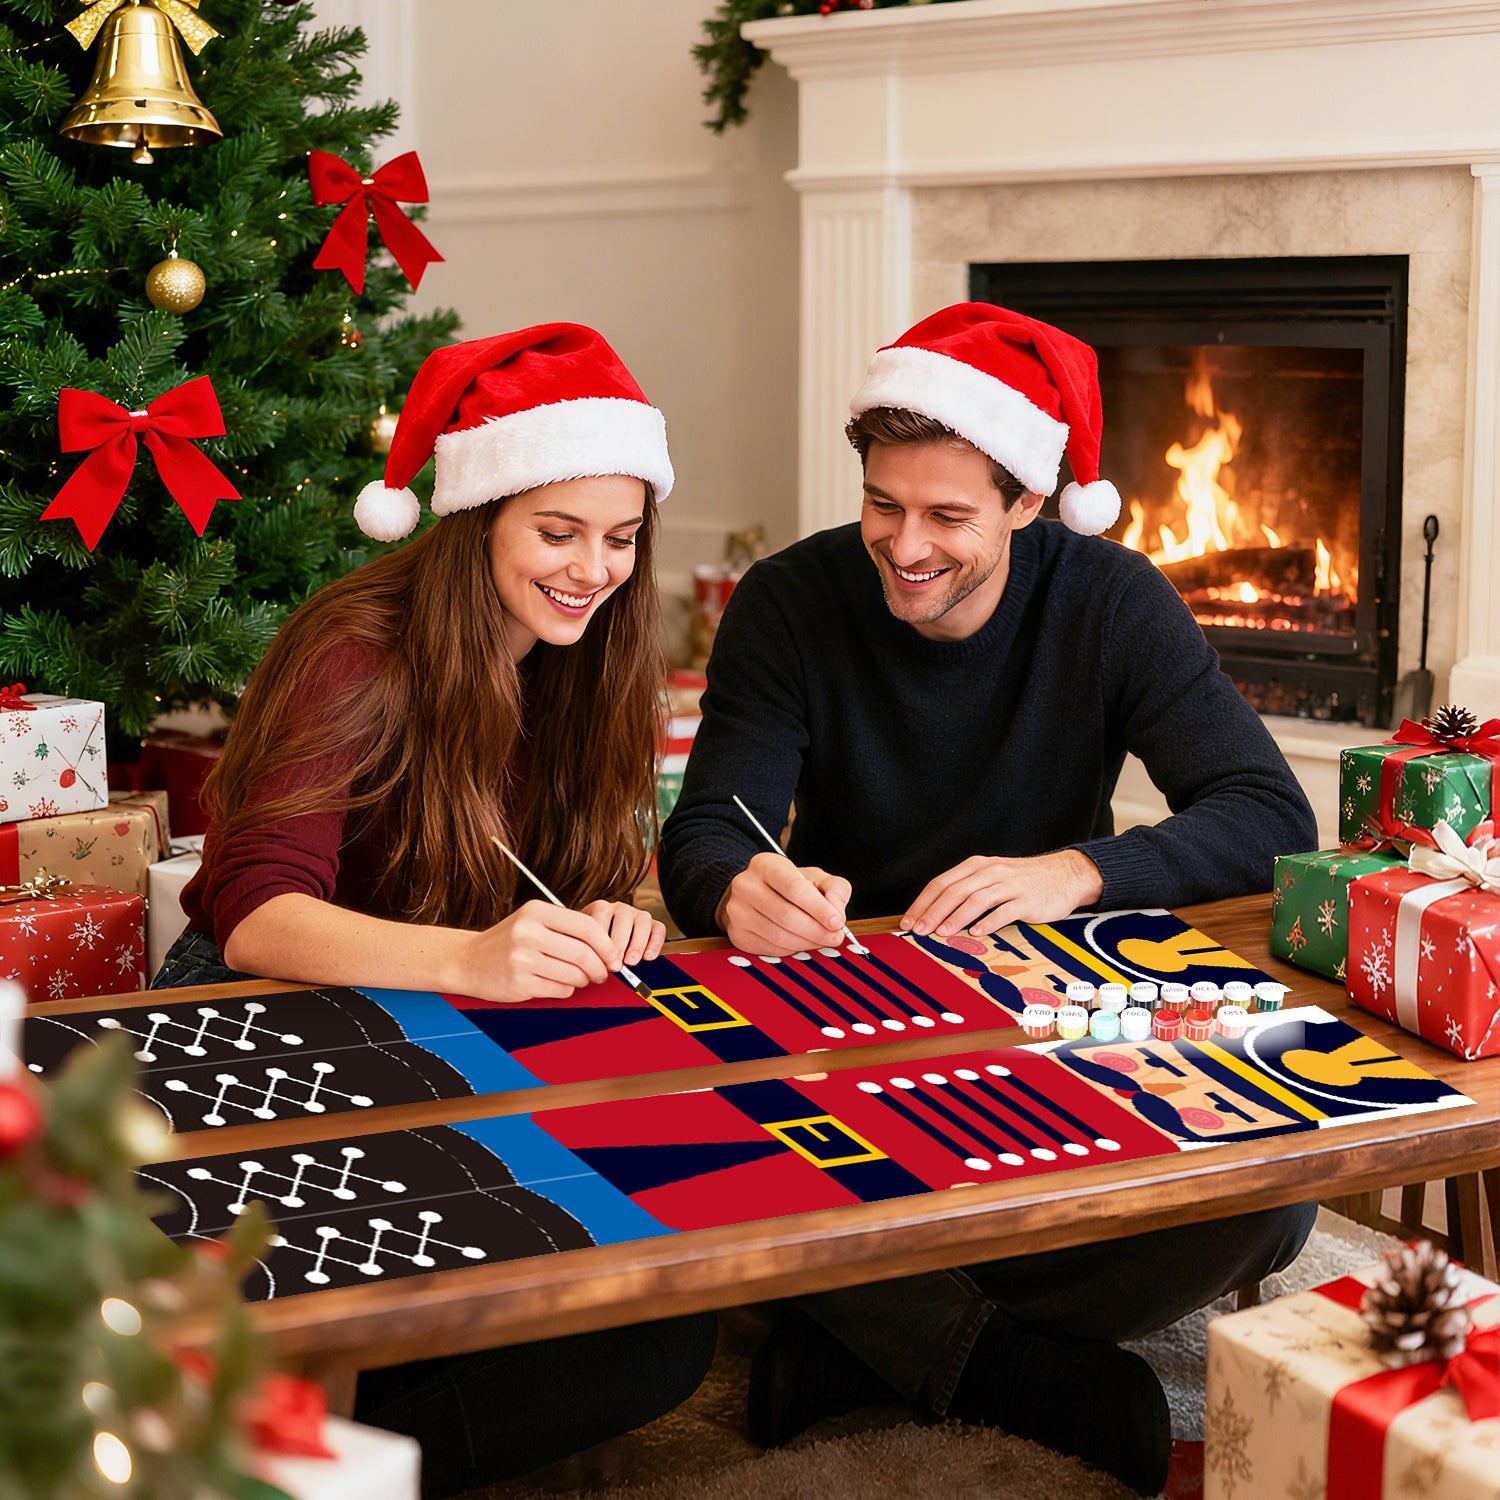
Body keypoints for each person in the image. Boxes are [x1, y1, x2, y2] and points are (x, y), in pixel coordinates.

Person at [658, 302, 1319, 1495]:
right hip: (842, 1023)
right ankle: (996, 1360)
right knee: (698, 1134)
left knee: (1273, 1205)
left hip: (1063, 1013)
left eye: (947, 516)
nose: (904, 545)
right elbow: (708, 832)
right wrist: (739, 887)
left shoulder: (1111, 600)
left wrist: (1080, 872)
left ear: (1026, 503)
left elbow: (1270, 817)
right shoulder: (789, 600)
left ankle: (860, 1340)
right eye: (883, 505)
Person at [154, 324, 718, 1496]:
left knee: (668, 1322)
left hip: (434, 1034)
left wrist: (613, 917)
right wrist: (476, 957)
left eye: (618, 539)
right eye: (556, 534)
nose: (592, 569)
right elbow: (256, 916)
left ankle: (334, 1439)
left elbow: (575, 872)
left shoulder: (587, 657)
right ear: (477, 522)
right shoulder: (357, 652)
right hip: (261, 1025)